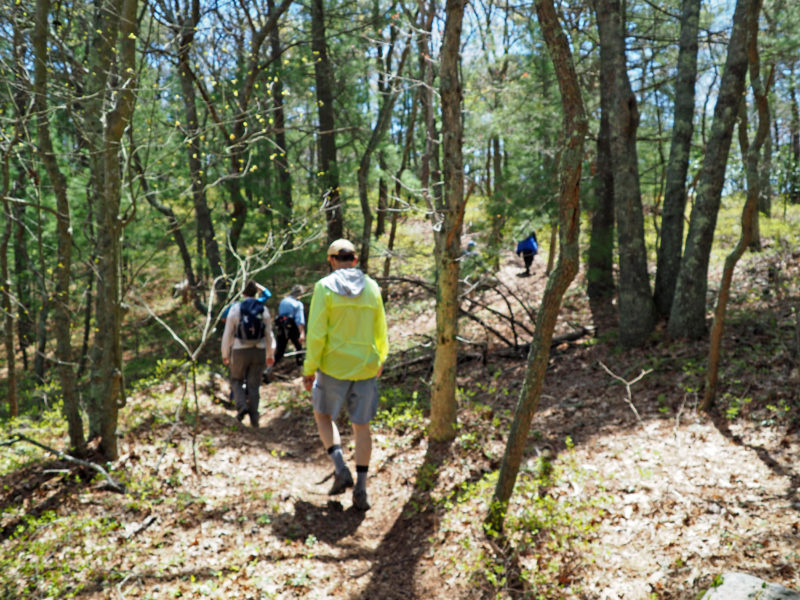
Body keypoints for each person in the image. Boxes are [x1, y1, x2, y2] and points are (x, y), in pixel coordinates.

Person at [303, 239, 388, 511]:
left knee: (323, 415)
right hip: (365, 366)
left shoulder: (323, 288)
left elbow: (316, 334)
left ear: (331, 260)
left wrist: (309, 369)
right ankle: (361, 490)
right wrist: (381, 358)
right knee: (361, 426)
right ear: (354, 259)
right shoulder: (372, 287)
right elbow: (381, 329)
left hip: (332, 367)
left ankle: (340, 469)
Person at [221, 280, 275, 428]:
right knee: (254, 385)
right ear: (256, 293)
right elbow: (269, 334)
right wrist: (270, 354)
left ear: (242, 293)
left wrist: (225, 353)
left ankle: (241, 405)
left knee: (236, 379)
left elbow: (228, 334)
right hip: (259, 350)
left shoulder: (235, 309)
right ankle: (254, 419)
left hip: (239, 350)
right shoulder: (262, 309)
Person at [274, 284, 306, 366]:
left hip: (282, 327)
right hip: (293, 328)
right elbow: (299, 320)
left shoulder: (283, 301)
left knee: (280, 350)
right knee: (299, 348)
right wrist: (302, 333)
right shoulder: (298, 304)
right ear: (299, 294)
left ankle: (268, 369)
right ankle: (300, 367)